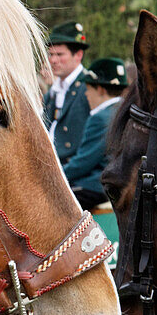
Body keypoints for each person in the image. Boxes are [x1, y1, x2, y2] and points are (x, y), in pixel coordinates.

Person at [63, 57, 127, 210]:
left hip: (98, 186)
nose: (86, 95)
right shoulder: (122, 111)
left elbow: (83, 163)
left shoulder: (101, 118)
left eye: (88, 89)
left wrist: (53, 176)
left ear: (100, 89)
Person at [43, 21, 89, 157]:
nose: (53, 60)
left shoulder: (89, 88)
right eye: (50, 54)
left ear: (78, 55)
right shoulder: (53, 91)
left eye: (59, 54)